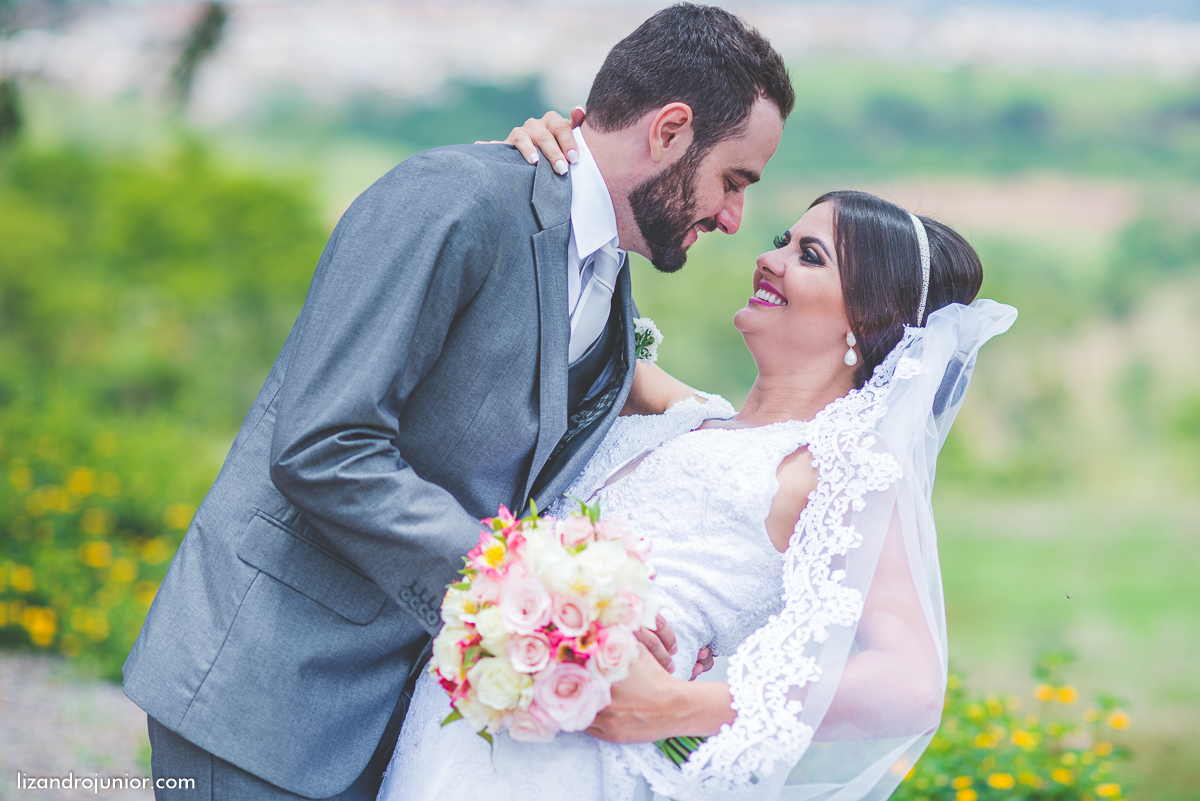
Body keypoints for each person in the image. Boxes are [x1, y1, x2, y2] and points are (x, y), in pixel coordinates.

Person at [121, 5, 795, 800]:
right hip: (267, 689)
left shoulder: (608, 288)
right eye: (734, 180)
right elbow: (324, 444)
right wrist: (528, 588)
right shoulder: (455, 198)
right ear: (671, 130)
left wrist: (614, 619)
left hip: (400, 718)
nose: (732, 216)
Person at [377, 189, 1017, 801]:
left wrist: (679, 706)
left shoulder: (837, 468)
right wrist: (553, 157)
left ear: (870, 320)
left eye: (809, 255)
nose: (769, 259)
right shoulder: (690, 416)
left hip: (570, 752)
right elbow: (558, 311)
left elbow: (909, 683)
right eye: (782, 241)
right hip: (466, 716)